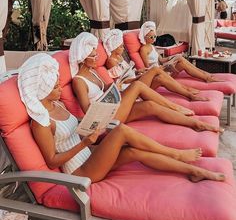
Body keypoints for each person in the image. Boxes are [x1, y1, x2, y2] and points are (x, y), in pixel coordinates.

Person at [18, 53, 225, 184]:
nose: (59, 88)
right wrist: (85, 143)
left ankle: (194, 170)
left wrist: (92, 126)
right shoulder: (41, 122)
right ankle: (178, 154)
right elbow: (52, 161)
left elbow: (77, 128)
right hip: (80, 171)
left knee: (134, 152)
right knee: (121, 131)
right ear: (41, 89)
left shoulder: (58, 104)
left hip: (92, 153)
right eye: (54, 86)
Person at [69, 32, 223, 132]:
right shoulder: (78, 81)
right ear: (82, 57)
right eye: (94, 56)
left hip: (114, 106)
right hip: (104, 119)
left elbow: (111, 87)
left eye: (97, 55)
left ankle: (196, 124)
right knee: (138, 84)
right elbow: (89, 112)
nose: (97, 58)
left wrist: (116, 91)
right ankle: (175, 106)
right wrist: (119, 92)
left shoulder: (94, 72)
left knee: (150, 105)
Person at [103, 28, 205, 102]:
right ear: (114, 47)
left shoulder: (119, 57)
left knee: (161, 78)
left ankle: (188, 93)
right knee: (155, 69)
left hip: (136, 79)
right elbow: (121, 81)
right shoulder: (111, 61)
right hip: (129, 87)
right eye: (121, 47)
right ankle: (187, 90)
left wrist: (138, 71)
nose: (123, 49)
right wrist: (140, 76)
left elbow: (127, 73)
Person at [139, 21, 222, 83]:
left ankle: (205, 75)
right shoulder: (143, 50)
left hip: (162, 69)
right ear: (145, 36)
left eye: (155, 36)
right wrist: (164, 67)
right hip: (158, 73)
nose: (154, 39)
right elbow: (148, 69)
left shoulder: (152, 46)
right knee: (180, 60)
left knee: (179, 58)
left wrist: (171, 57)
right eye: (151, 37)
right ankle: (206, 76)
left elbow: (161, 60)